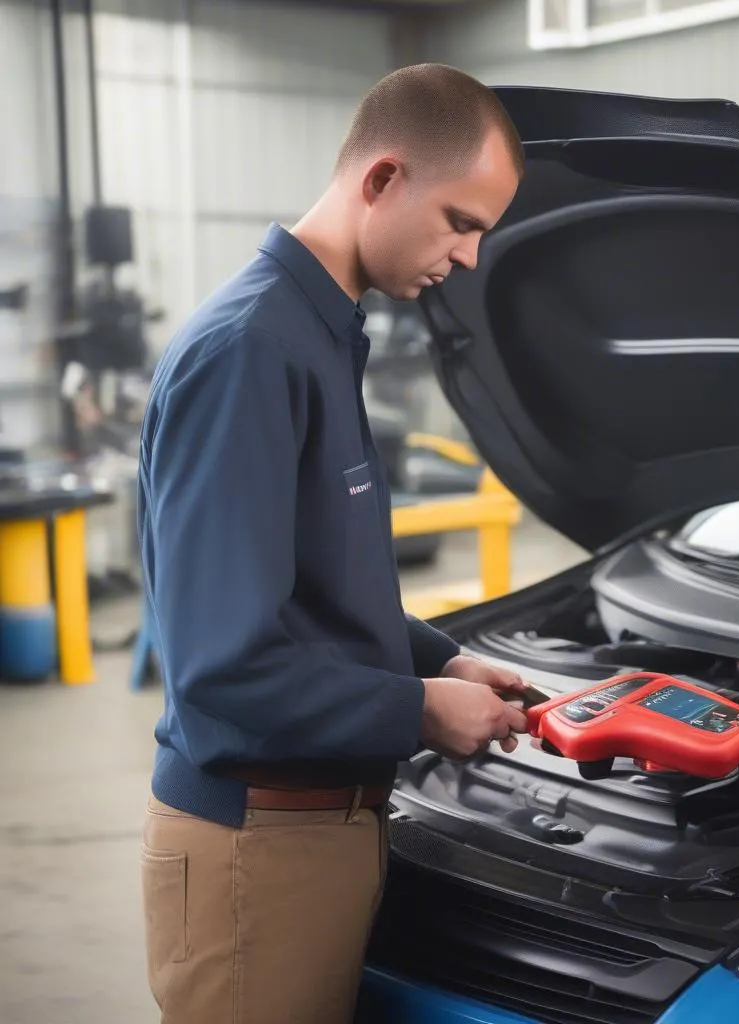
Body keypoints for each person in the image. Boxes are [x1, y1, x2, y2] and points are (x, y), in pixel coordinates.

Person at [137, 63, 528, 1024]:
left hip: (314, 834)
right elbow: (223, 671)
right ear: (383, 179)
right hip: (257, 851)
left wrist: (447, 661)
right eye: (461, 222)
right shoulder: (250, 353)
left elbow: (315, 587)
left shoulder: (320, 335)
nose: (470, 259)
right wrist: (418, 710)